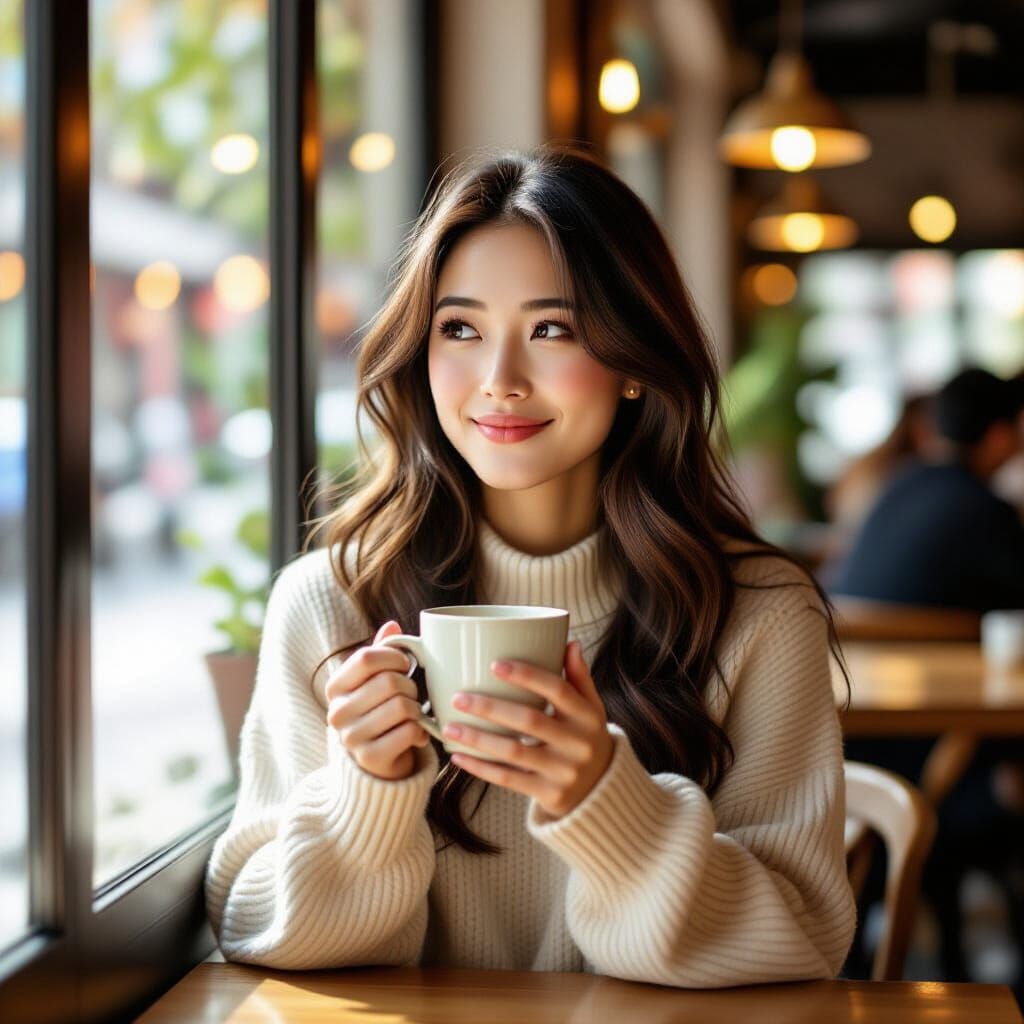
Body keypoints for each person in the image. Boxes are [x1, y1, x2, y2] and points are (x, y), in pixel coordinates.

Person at [203, 145, 856, 987]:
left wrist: (608, 803)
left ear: (631, 360)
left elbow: (803, 940)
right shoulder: (331, 602)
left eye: (553, 329)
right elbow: (254, 928)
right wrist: (366, 791)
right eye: (460, 329)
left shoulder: (757, 613)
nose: (500, 380)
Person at [828, 368, 1024, 611]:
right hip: (912, 634)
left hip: (847, 628)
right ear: (999, 435)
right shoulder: (984, 509)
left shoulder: (905, 480)